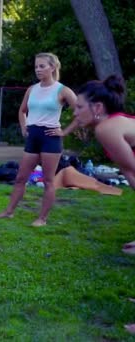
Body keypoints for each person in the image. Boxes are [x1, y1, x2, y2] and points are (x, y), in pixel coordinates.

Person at [72, 74, 135, 334]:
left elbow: (132, 172)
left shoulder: (106, 129)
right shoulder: (115, 123)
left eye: (79, 107)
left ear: (97, 108)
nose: (75, 114)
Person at [0, 52, 78, 227]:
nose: (38, 70)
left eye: (42, 66)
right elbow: (22, 110)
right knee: (20, 178)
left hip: (50, 138)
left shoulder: (62, 90)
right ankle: (9, 212)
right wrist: (24, 127)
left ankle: (42, 218)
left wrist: (65, 131)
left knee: (48, 181)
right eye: (36, 67)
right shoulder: (32, 89)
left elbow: (81, 112)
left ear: (53, 67)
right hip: (33, 137)